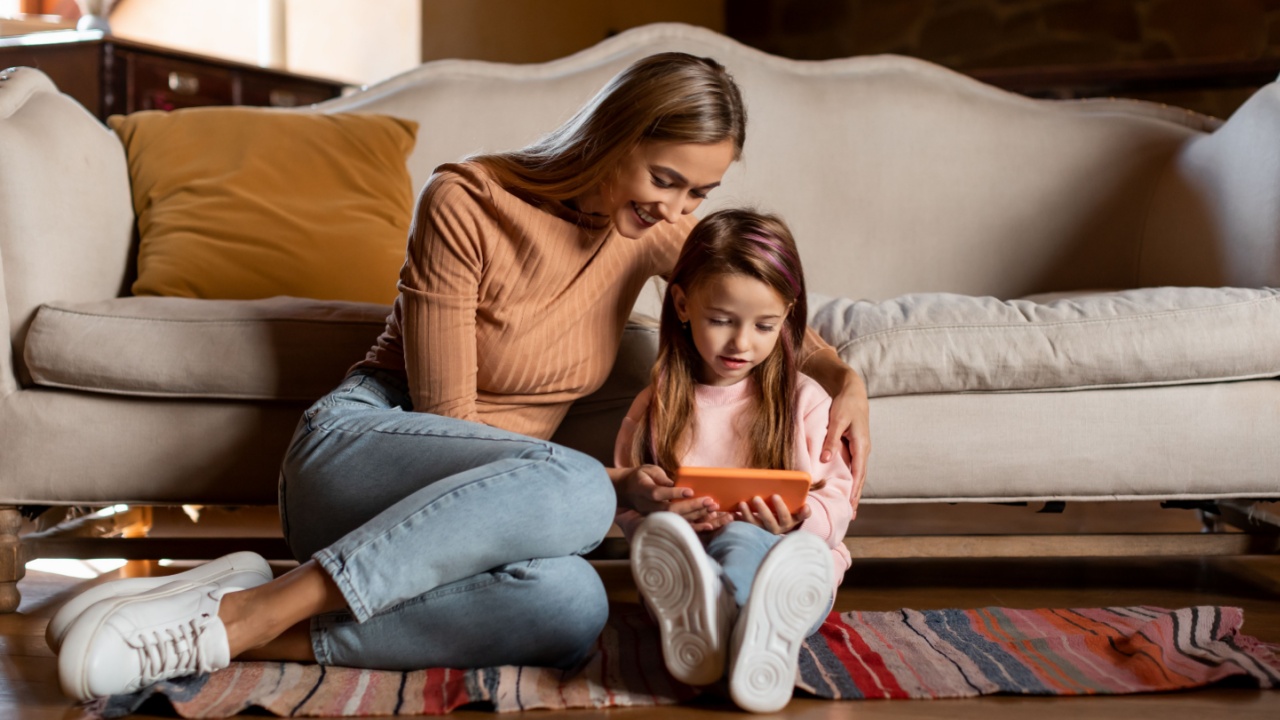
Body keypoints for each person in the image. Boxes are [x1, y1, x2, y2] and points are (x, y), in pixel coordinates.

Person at [49, 52, 872, 703]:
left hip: (490, 515)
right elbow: (449, 423)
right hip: (365, 458)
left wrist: (846, 380)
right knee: (584, 490)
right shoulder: (466, 202)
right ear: (613, 137)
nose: (677, 211)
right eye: (665, 180)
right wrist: (614, 486)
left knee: (573, 605)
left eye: (700, 192)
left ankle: (250, 622)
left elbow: (766, 306)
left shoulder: (650, 228)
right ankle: (248, 613)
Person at [614, 209, 861, 713]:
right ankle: (739, 640)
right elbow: (630, 502)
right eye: (721, 320)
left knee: (753, 543)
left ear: (787, 317)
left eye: (764, 325)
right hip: (690, 569)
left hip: (789, 573)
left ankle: (723, 632)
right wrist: (659, 513)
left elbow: (839, 501)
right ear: (682, 305)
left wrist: (801, 520)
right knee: (679, 546)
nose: (741, 342)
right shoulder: (658, 404)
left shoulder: (805, 400)